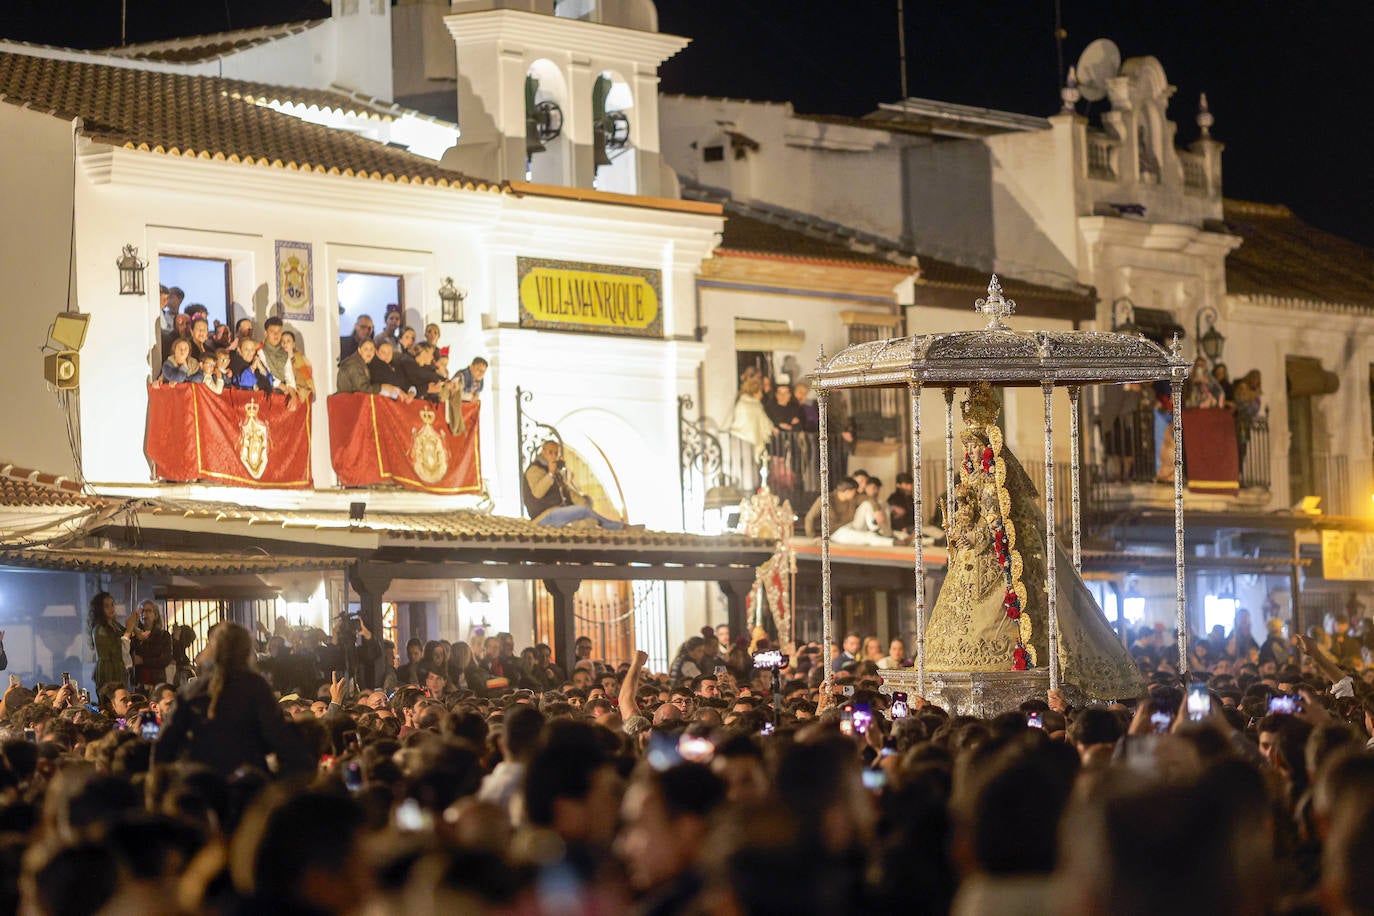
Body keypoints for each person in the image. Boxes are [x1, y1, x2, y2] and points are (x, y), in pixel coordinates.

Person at [154, 622, 313, 777]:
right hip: (248, 781)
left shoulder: (191, 691)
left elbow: (166, 743)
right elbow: (277, 735)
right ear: (246, 651)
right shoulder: (256, 688)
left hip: (201, 782)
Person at [522, 440, 626, 529]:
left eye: (556, 453)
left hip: (557, 511)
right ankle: (618, 527)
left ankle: (585, 523)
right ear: (543, 452)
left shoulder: (555, 473)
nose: (553, 456)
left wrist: (584, 502)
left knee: (586, 510)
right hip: (543, 517)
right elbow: (537, 493)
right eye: (550, 452)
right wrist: (550, 474)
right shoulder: (534, 470)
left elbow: (567, 491)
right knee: (583, 511)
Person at [336, 339, 410, 400]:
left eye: (371, 349)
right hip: (349, 403)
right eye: (366, 349)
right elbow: (363, 388)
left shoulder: (361, 363)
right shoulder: (353, 365)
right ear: (359, 350)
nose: (369, 352)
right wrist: (382, 387)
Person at [727, 369, 774, 463]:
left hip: (741, 441)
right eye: (760, 391)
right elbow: (765, 424)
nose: (762, 394)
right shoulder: (752, 405)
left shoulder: (745, 403)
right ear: (755, 391)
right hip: (746, 442)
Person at [88, 591, 130, 692]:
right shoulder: (99, 629)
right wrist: (129, 630)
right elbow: (116, 650)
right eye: (107, 606)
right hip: (107, 672)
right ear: (100, 609)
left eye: (112, 605)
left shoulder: (115, 624)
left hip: (118, 670)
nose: (111, 608)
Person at [128, 600, 172, 691]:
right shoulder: (134, 636)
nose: (145, 614)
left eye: (149, 611)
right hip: (138, 683)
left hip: (156, 681)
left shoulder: (163, 635)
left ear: (155, 615)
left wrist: (143, 660)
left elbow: (165, 659)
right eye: (142, 611)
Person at [279, 329, 315, 402]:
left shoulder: (300, 359)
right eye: (283, 342)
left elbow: (306, 381)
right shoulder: (278, 359)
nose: (285, 344)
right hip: (284, 393)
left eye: (288, 341)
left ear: (293, 344)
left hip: (300, 394)